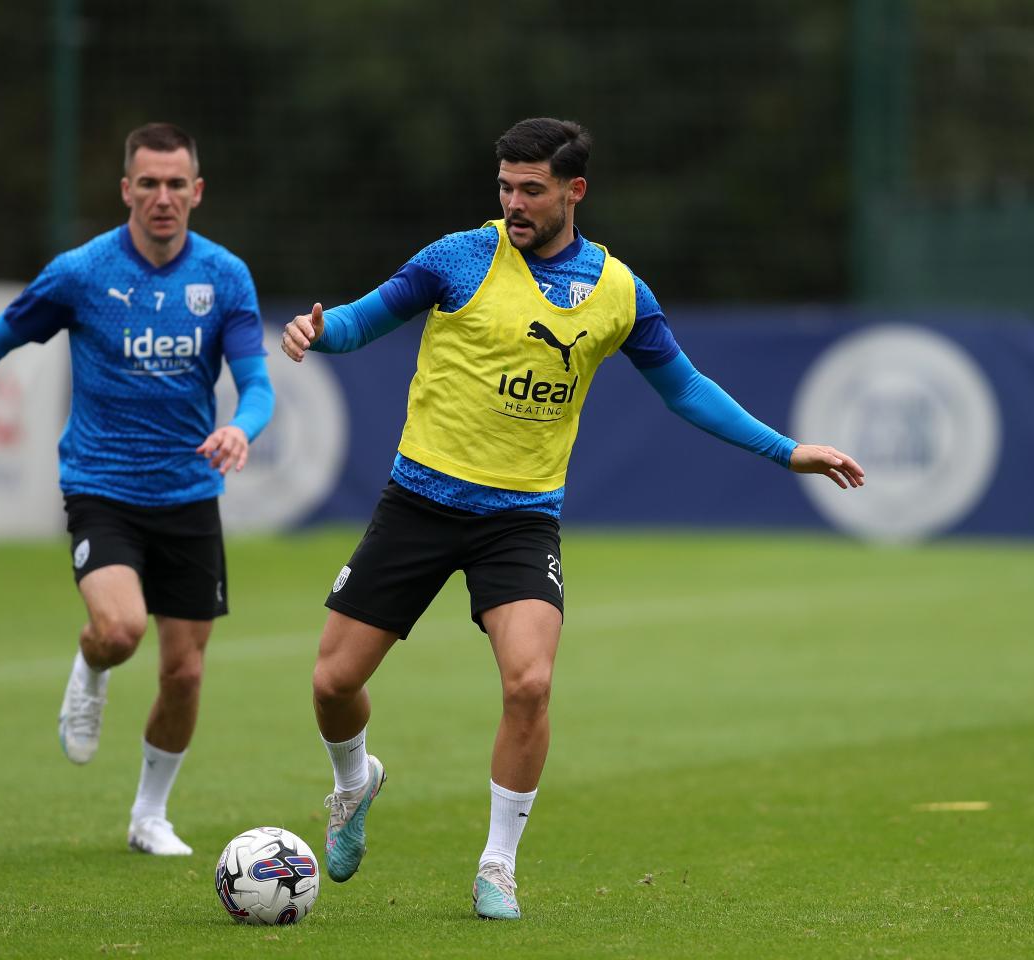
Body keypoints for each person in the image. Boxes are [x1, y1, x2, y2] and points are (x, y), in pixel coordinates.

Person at [280, 117, 864, 919]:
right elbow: (367, 317)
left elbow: (685, 387)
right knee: (332, 681)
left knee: (530, 683)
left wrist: (786, 449)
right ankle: (354, 785)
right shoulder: (460, 257)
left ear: (573, 191)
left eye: (531, 190)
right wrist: (320, 329)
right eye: (505, 188)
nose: (514, 203)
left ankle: (498, 864)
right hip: (418, 501)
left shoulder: (619, 292)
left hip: (519, 520)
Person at [0, 122, 275, 856]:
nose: (163, 197)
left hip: (189, 494)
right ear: (126, 190)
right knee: (120, 630)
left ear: (196, 192)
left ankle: (149, 816)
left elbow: (258, 382)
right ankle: (92, 664)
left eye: (177, 184)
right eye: (149, 183)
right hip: (102, 484)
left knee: (185, 671)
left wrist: (242, 429)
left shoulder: (224, 276)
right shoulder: (82, 272)